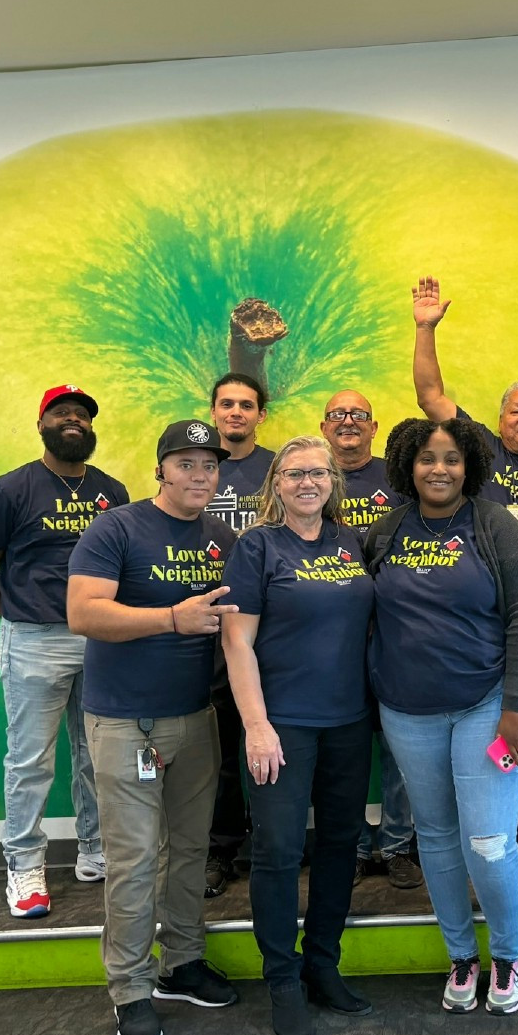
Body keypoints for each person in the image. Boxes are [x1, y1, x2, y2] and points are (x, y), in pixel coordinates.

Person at [66, 419, 243, 1035]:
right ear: (161, 469)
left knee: (189, 851)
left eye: (209, 465)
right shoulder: (116, 527)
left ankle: (182, 963)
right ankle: (131, 988)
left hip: (195, 718)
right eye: (186, 463)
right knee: (135, 861)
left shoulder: (221, 536)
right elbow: (83, 612)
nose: (199, 475)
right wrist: (172, 618)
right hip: (124, 724)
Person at [363, 417, 518, 1017]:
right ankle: (461, 956)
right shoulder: (387, 530)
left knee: (488, 841)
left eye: (451, 459)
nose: (438, 469)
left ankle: (508, 956)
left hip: (488, 707)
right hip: (407, 712)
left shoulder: (495, 525)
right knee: (437, 838)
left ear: (469, 465)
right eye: (426, 458)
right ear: (407, 466)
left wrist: (515, 704)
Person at [411, 276, 518, 880]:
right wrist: (425, 328)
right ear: (501, 419)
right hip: (479, 614)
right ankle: (476, 831)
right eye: (517, 409)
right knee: (488, 717)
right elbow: (430, 394)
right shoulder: (478, 451)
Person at [222, 435, 376, 1035]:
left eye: (318, 472)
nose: (307, 482)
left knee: (340, 844)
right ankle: (283, 979)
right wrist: (257, 725)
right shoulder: (257, 547)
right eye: (294, 474)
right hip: (282, 725)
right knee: (279, 851)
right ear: (276, 485)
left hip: (348, 722)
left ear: (333, 481)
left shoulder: (351, 542)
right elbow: (236, 641)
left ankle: (322, 965)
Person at [0, 384, 129, 918]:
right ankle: (24, 867)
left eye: (82, 414)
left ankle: (96, 851)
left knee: (97, 754)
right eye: (62, 413)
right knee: (30, 760)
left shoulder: (112, 492)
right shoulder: (9, 490)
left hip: (100, 641)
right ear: (41, 424)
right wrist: (18, 617)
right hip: (35, 640)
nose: (73, 420)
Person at [319, 390, 421, 891]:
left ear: (374, 427)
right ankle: (355, 847)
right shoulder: (312, 479)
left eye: (358, 414)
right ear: (323, 428)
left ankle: (398, 845)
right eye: (338, 415)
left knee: (400, 748)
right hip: (333, 639)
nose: (348, 421)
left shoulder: (397, 482)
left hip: (396, 634)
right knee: (346, 751)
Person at [204, 371, 273, 897]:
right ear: (213, 412)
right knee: (223, 747)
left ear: (260, 415)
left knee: (279, 735)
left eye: (246, 405)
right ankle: (221, 847)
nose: (235, 413)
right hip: (208, 625)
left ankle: (275, 841)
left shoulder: (277, 469)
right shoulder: (198, 467)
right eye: (226, 404)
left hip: (273, 626)